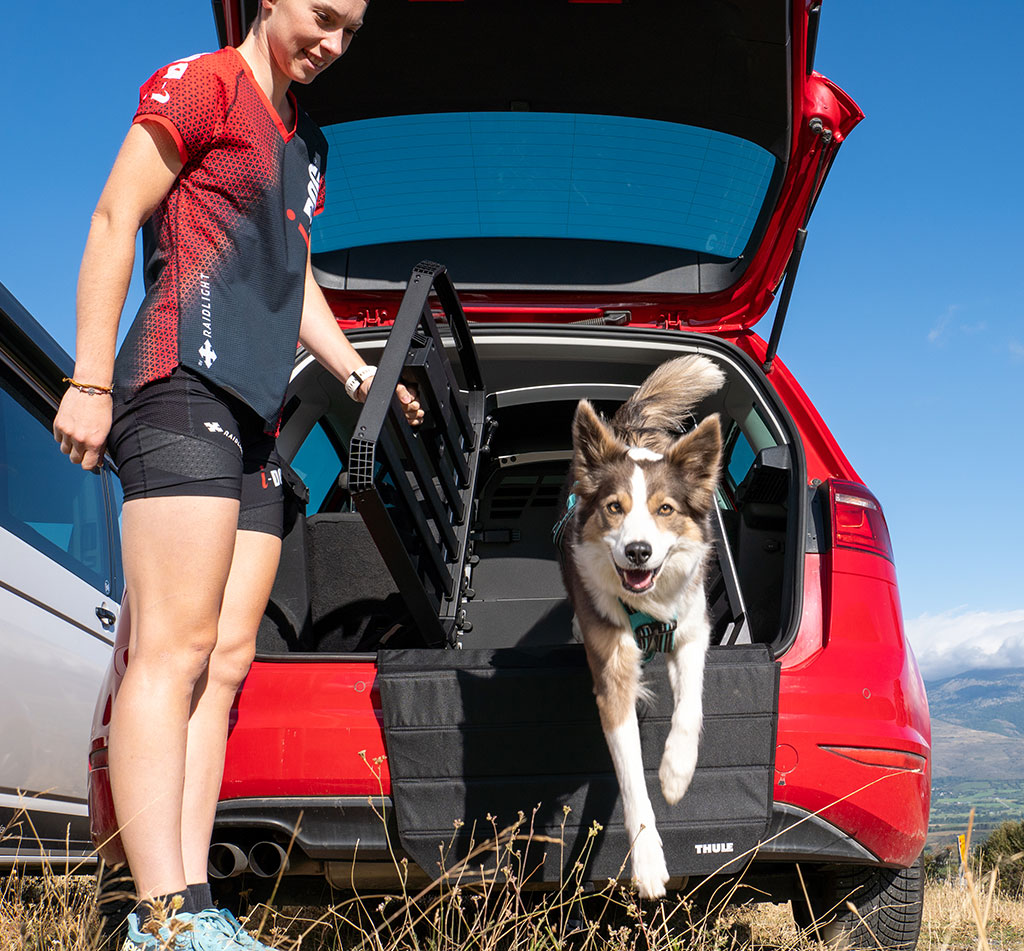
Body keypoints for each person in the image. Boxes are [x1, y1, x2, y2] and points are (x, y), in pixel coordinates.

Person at [53, 1, 418, 947]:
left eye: (351, 33)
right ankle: (160, 913)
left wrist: (352, 370)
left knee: (223, 663)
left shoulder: (310, 144)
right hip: (179, 379)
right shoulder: (204, 83)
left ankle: (196, 902)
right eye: (322, 17)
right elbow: (112, 214)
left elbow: (293, 274)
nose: (332, 46)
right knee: (169, 651)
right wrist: (89, 378)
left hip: (259, 414)